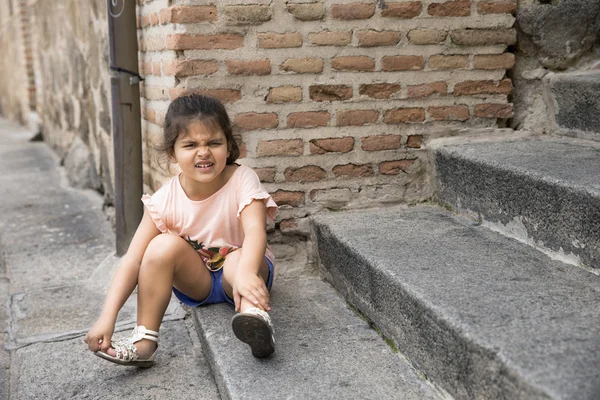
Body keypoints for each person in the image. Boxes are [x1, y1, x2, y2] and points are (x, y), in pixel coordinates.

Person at [84, 94, 278, 366]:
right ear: (172, 153)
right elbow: (134, 259)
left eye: (214, 142)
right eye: (190, 144)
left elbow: (256, 230)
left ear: (229, 145)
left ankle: (254, 319)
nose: (204, 152)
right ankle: (144, 341)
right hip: (197, 282)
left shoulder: (241, 179)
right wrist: (108, 317)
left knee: (236, 259)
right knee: (161, 245)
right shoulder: (165, 199)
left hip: (245, 270)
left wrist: (246, 273)